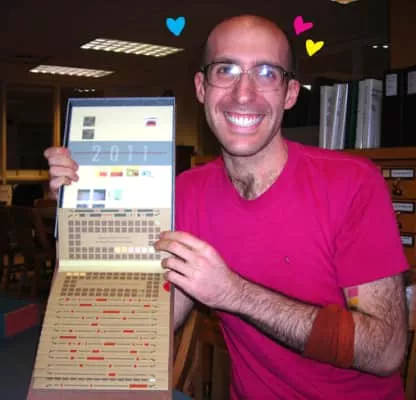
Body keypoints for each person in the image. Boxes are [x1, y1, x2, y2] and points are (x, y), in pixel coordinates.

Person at [45, 14, 409, 400]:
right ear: (201, 87)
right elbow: (140, 330)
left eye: (266, 73)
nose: (243, 94)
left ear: (290, 93)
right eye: (226, 70)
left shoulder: (352, 183)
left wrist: (234, 293)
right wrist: (83, 216)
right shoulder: (186, 193)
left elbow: (387, 350)